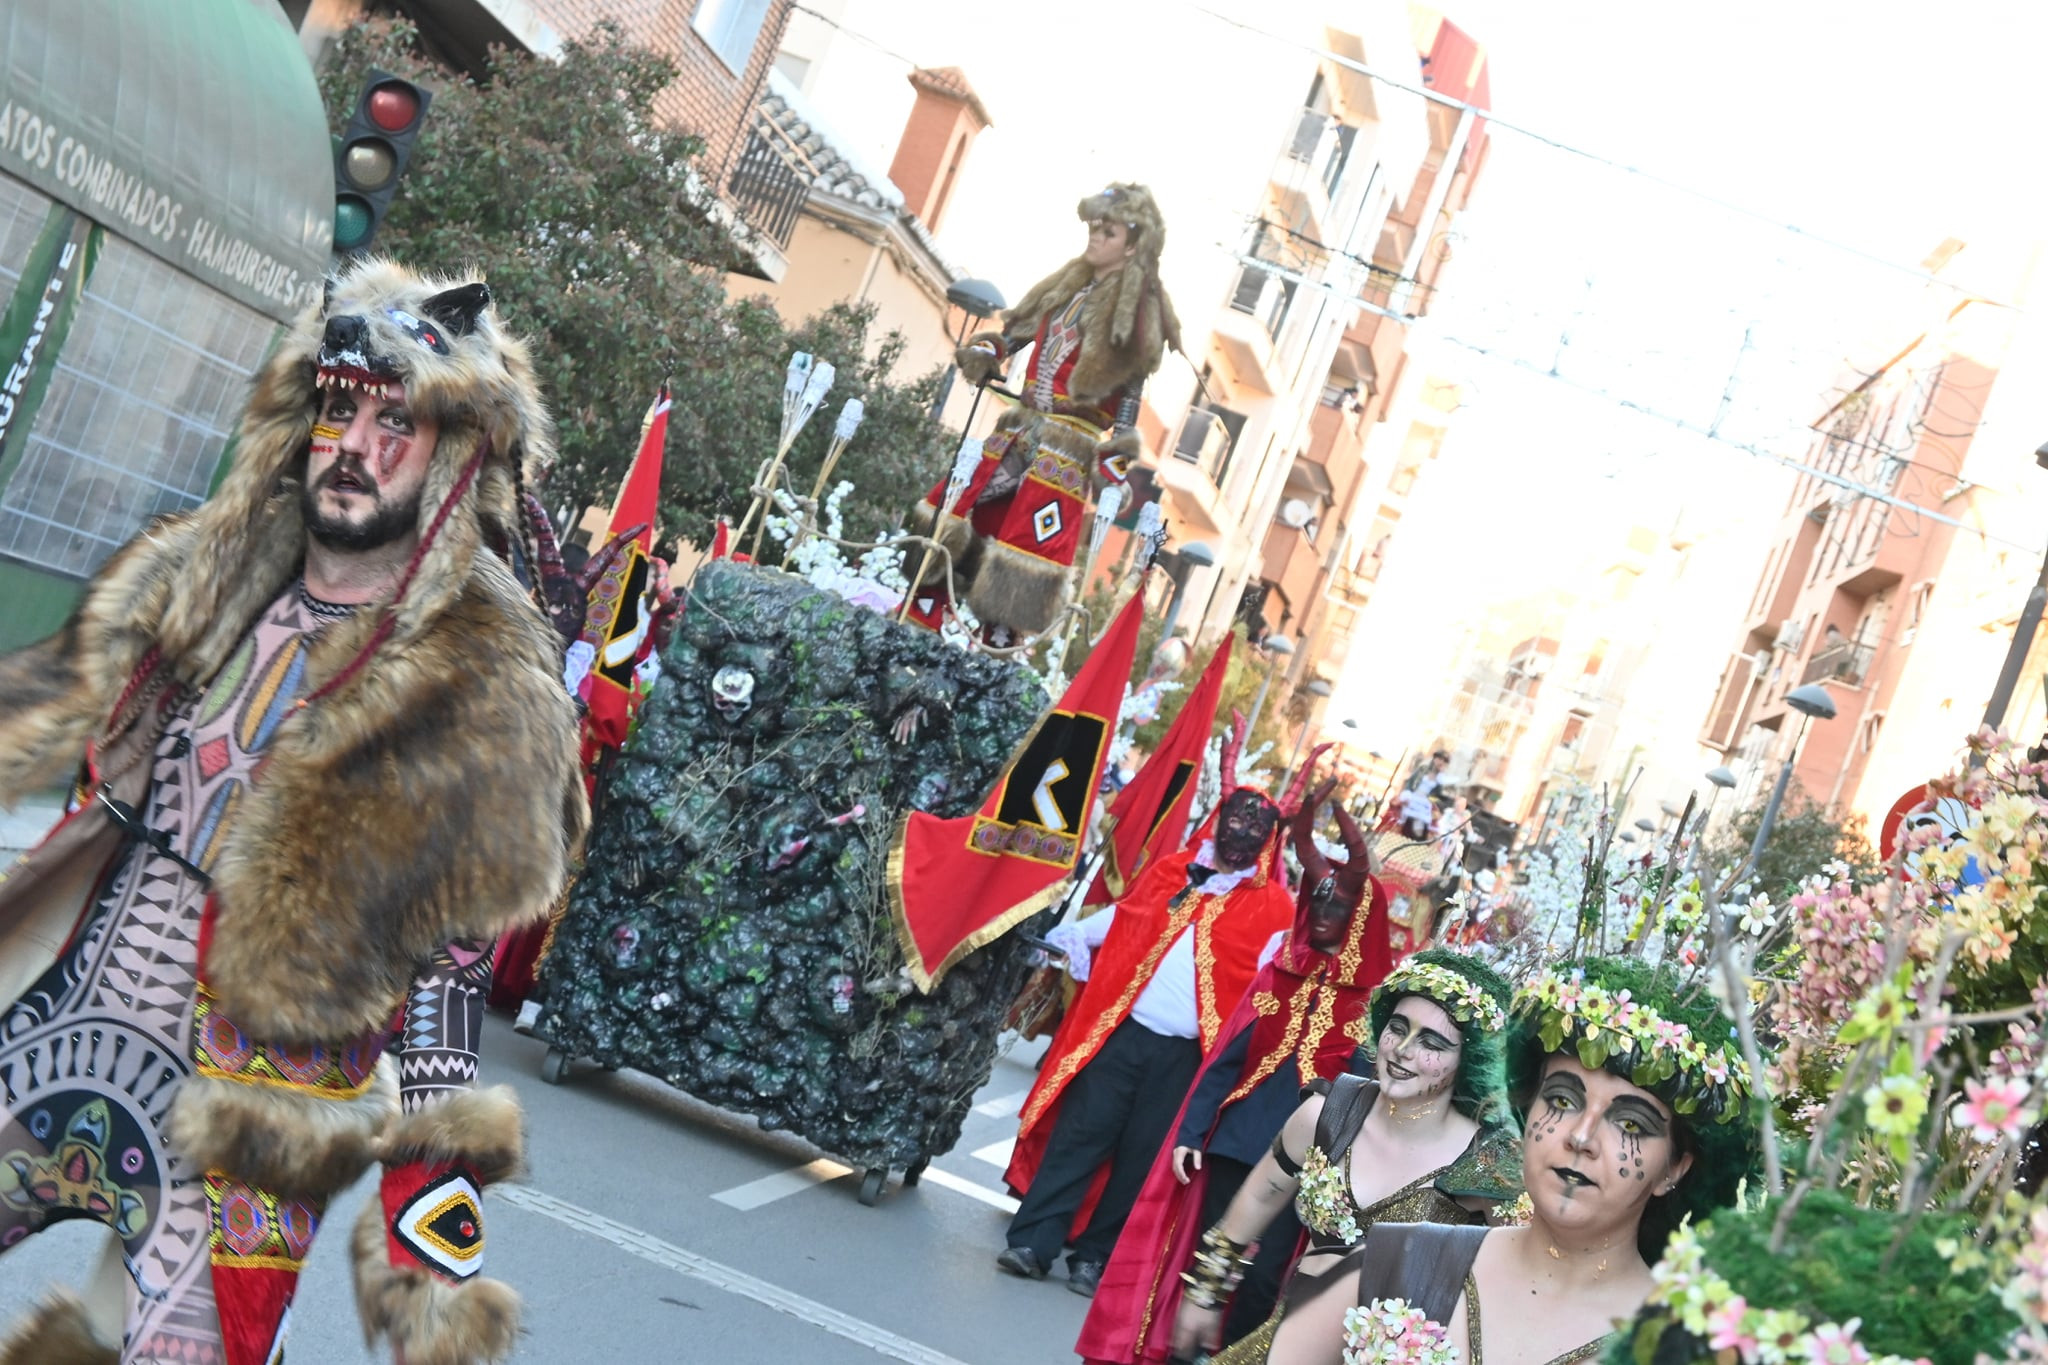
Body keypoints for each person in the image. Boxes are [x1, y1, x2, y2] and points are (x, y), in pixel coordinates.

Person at [0, 261, 586, 1365]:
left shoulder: (486, 687)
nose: (355, 447)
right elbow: (46, 708)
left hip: (251, 1114)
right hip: (76, 1014)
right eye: (338, 410)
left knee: (163, 1348)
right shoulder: (213, 572)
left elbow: (449, 998)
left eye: (394, 422)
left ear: (453, 457)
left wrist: (431, 1266)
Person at [1262, 956, 1763, 1365]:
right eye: (1563, 1101)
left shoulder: (1689, 1351)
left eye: (1630, 1124)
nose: (1581, 1137)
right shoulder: (1394, 1264)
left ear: (1674, 1169)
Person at [1076, 787, 1394, 1364]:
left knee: (1265, 1273)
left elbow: (1367, 1095)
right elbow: (1226, 1061)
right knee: (1208, 1253)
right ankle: (1178, 1351)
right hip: (1237, 1139)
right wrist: (1191, 1134)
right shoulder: (1279, 977)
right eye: (1314, 903)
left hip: (1308, 1161)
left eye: (1337, 908)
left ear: (1360, 920)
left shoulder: (1372, 1013)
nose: (1322, 916)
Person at [999, 753, 1314, 1295]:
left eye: (1255, 825)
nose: (1241, 830)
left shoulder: (1274, 909)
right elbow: (1127, 921)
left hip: (1189, 1058)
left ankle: (1096, 1257)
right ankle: (1033, 1241)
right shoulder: (1172, 871)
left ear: (1269, 839)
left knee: (1145, 1158)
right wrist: (1073, 936)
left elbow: (1271, 985)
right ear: (1218, 816)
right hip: (1123, 1034)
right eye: (1235, 818)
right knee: (1080, 1136)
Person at [1172, 950, 1521, 1363]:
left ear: (1469, 1060)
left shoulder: (1485, 1163)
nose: (1403, 1050)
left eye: (1432, 1042)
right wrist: (1206, 1290)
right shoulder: (1328, 1113)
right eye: (1397, 1028)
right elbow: (1261, 1195)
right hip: (1287, 1345)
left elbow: (1521, 1281)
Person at [909, 183, 1182, 642]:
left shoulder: (1136, 314)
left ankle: (990, 650)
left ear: (1132, 245)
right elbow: (1016, 332)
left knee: (1023, 551)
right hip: (1017, 431)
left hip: (1067, 454)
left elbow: (1129, 400)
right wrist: (989, 348)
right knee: (957, 512)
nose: (1095, 238)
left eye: (1108, 232)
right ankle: (921, 618)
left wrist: (1115, 462)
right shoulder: (1066, 284)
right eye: (1094, 228)